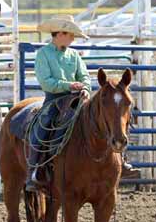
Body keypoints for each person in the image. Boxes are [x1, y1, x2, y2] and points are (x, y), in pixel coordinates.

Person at [27, 15, 138, 191]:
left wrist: (85, 88)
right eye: (71, 34)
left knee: (109, 120)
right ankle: (36, 170)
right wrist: (68, 85)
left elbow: (84, 76)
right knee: (43, 125)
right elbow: (46, 81)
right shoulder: (43, 54)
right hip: (54, 100)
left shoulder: (73, 55)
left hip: (78, 99)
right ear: (60, 33)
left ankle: (121, 160)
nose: (73, 38)